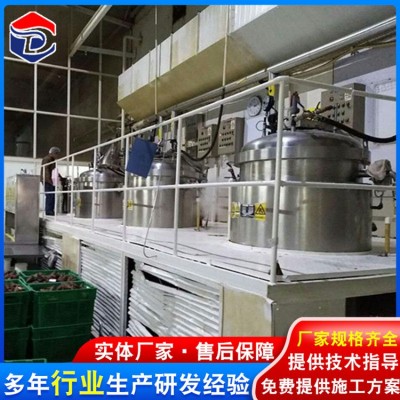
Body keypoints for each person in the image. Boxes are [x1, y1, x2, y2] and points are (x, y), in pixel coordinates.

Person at [40, 147, 61, 216]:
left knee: (51, 195)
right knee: (50, 195)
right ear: (53, 153)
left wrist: (60, 177)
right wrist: (49, 180)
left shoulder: (51, 160)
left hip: (49, 180)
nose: (57, 156)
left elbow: (54, 171)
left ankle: (50, 210)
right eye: (57, 154)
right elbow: (46, 170)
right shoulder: (47, 159)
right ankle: (49, 211)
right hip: (47, 180)